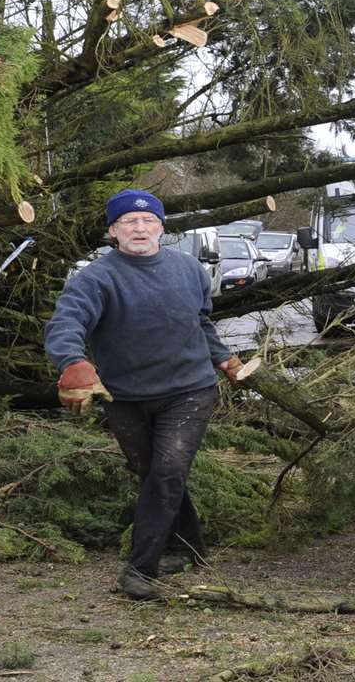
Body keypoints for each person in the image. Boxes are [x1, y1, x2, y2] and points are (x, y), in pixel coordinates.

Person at [45, 189, 244, 599]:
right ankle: (187, 547)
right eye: (129, 222)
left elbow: (201, 323)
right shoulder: (96, 278)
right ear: (113, 231)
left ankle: (141, 569)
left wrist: (223, 358)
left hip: (189, 391)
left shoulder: (189, 269)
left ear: (161, 227)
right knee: (153, 473)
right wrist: (71, 362)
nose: (140, 228)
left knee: (168, 471)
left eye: (148, 221)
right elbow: (66, 322)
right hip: (125, 396)